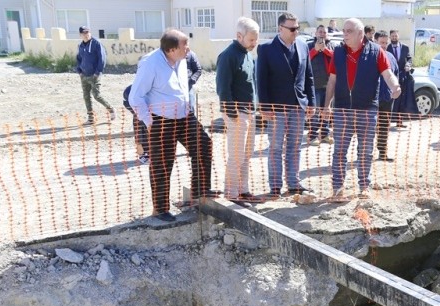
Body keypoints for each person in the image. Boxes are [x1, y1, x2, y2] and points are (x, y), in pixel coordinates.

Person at [129, 29, 219, 222]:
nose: (188, 49)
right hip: (160, 120)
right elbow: (135, 97)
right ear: (171, 50)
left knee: (204, 145)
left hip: (185, 116)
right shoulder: (150, 64)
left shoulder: (182, 59)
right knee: (162, 164)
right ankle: (160, 209)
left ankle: (200, 190)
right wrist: (149, 121)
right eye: (184, 45)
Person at [323, 18, 401, 200]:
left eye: (349, 31)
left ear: (360, 34)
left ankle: (364, 186)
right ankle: (337, 188)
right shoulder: (338, 52)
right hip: (342, 109)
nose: (345, 34)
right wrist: (327, 105)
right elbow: (332, 81)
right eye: (344, 30)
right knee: (340, 151)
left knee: (365, 151)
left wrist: (395, 86)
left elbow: (388, 74)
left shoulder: (376, 52)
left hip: (367, 110)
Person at [256, 12, 316, 197]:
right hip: (276, 109)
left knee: (295, 146)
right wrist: (264, 108)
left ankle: (294, 184)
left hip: (298, 106)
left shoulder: (303, 46)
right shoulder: (266, 49)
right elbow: (261, 80)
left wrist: (312, 102)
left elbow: (309, 77)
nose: (296, 31)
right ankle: (275, 186)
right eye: (292, 28)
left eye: (297, 28)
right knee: (275, 147)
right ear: (280, 28)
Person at [217, 17, 262, 204]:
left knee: (247, 154)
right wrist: (232, 113)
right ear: (239, 36)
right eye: (251, 40)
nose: (254, 43)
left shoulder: (248, 55)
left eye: (256, 39)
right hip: (236, 113)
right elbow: (222, 88)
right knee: (236, 155)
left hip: (249, 112)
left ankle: (243, 190)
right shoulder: (228, 56)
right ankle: (231, 193)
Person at [75, 25, 116, 124]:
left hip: (94, 75)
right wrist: (79, 71)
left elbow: (102, 58)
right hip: (84, 75)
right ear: (80, 34)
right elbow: (78, 59)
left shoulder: (96, 43)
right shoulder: (81, 46)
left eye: (87, 32)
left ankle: (111, 109)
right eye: (84, 33)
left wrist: (98, 72)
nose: (86, 35)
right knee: (86, 96)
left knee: (96, 95)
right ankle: (90, 118)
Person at [307, 25, 335, 146]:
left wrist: (325, 50)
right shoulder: (309, 45)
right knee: (314, 111)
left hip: (328, 85)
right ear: (316, 33)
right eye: (320, 32)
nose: (322, 34)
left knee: (326, 111)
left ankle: (324, 134)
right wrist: (315, 49)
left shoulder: (331, 45)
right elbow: (304, 59)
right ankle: (312, 136)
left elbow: (336, 59)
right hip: (314, 85)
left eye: (324, 32)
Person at [375, 30, 398, 162]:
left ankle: (382, 153)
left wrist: (395, 90)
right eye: (381, 43)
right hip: (372, 98)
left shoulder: (391, 57)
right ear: (376, 42)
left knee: (384, 126)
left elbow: (395, 76)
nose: (383, 45)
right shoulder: (370, 57)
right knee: (367, 127)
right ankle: (363, 154)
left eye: (385, 43)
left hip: (387, 98)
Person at [387, 29, 414, 127]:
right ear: (390, 37)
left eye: (396, 36)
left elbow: (409, 59)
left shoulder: (405, 48)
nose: (394, 38)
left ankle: (399, 122)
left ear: (398, 36)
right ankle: (387, 122)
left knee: (401, 99)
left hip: (402, 77)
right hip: (390, 77)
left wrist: (408, 65)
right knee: (390, 99)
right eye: (392, 36)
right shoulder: (387, 48)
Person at [122, 84, 149, 164]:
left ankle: (147, 151)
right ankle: (143, 153)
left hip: (142, 101)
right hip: (131, 100)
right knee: (141, 124)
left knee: (145, 124)